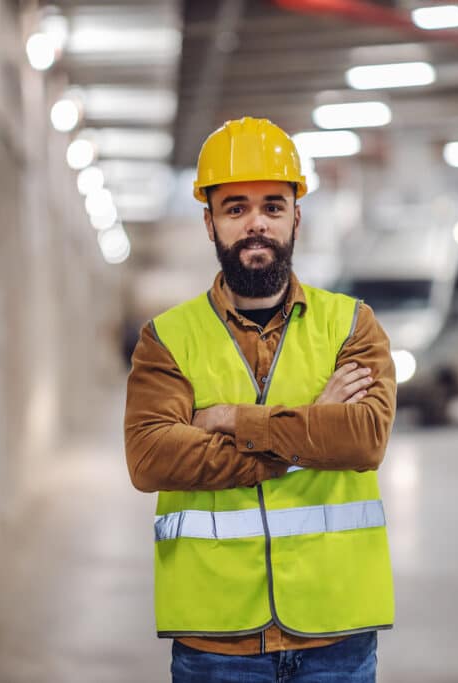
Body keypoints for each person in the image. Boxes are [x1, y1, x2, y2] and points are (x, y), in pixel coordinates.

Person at [124, 116, 397, 683]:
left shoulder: (352, 325)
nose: (256, 224)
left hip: (335, 635)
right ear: (209, 222)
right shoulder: (167, 339)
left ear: (297, 215)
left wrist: (229, 420)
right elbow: (152, 458)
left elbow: (364, 439)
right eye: (236, 208)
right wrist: (310, 430)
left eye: (273, 206)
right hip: (216, 641)